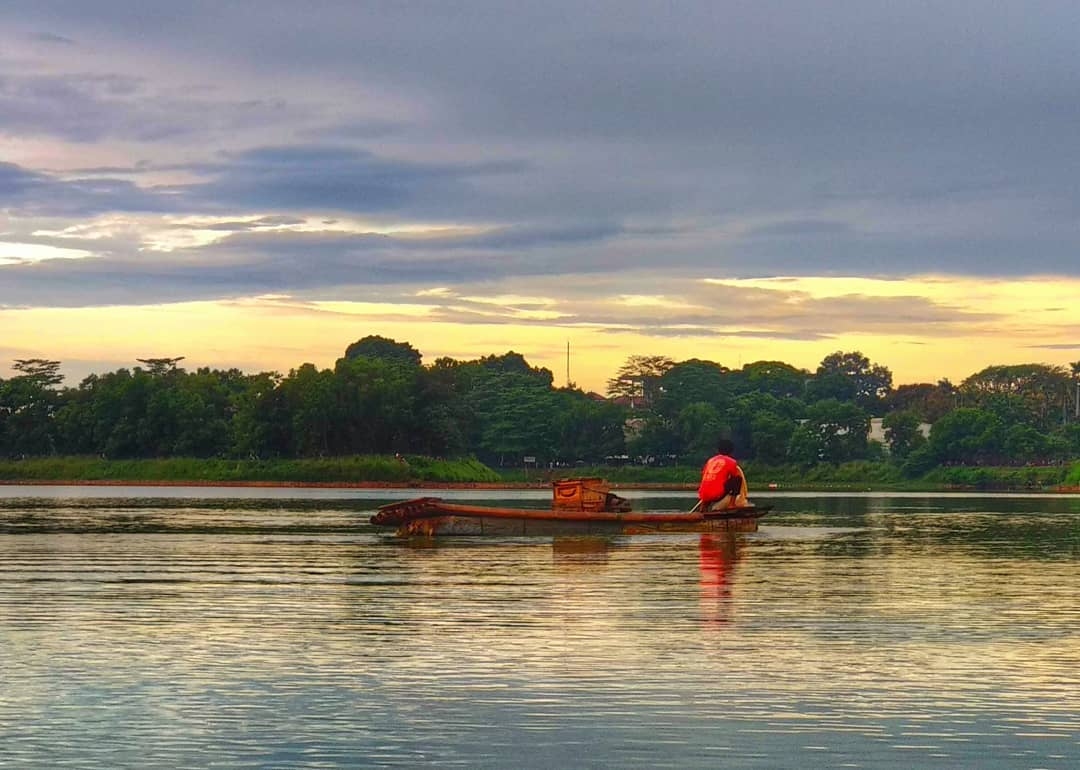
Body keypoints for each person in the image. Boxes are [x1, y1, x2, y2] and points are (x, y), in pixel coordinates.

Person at [697, 439, 749, 511]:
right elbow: (735, 476)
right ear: (731, 451)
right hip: (716, 494)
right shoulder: (732, 462)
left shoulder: (710, 460)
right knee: (738, 479)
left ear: (718, 450)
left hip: (702, 494)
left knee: (709, 483)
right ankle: (731, 504)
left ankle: (703, 508)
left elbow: (704, 474)